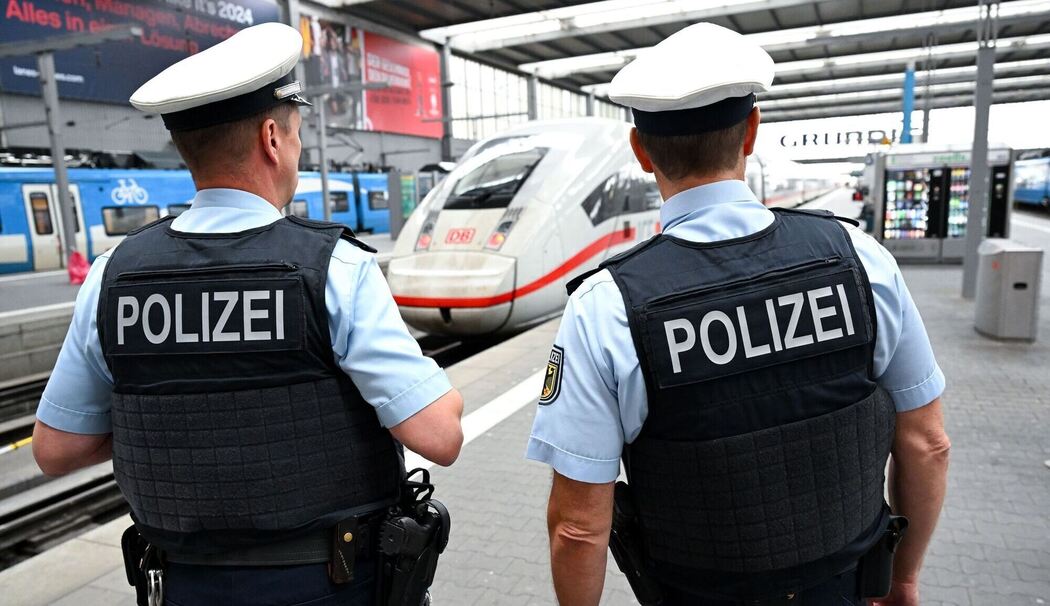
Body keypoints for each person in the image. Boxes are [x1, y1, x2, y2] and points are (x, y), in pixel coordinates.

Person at [32, 22, 463, 606]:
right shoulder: (333, 267)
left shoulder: (114, 275)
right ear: (271, 138)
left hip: (180, 585)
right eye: (297, 133)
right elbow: (439, 435)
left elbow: (55, 449)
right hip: (329, 584)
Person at [527, 23, 950, 606]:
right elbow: (928, 444)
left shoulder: (606, 308)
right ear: (751, 132)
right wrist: (903, 577)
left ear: (641, 151)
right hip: (850, 589)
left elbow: (578, 527)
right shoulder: (861, 260)